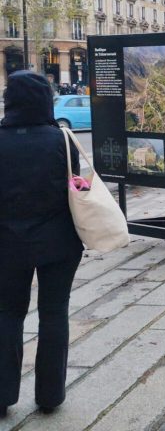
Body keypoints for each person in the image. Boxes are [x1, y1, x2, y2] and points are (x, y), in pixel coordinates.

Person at [0, 71, 83, 417]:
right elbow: (74, 188)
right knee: (54, 312)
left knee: (6, 313)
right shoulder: (60, 140)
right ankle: (50, 396)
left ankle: (2, 394)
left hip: (6, 243)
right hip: (59, 242)